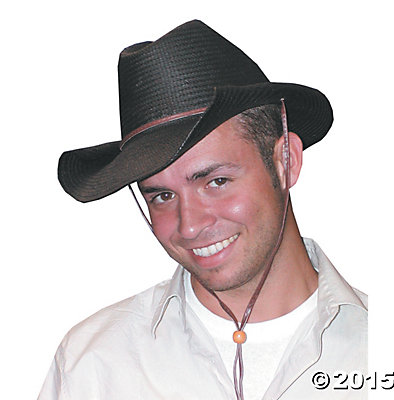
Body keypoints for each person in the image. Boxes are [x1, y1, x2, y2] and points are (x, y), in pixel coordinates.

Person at [38, 20, 367, 400]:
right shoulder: (94, 364)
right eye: (162, 196)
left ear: (285, 161)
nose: (190, 226)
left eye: (216, 181)